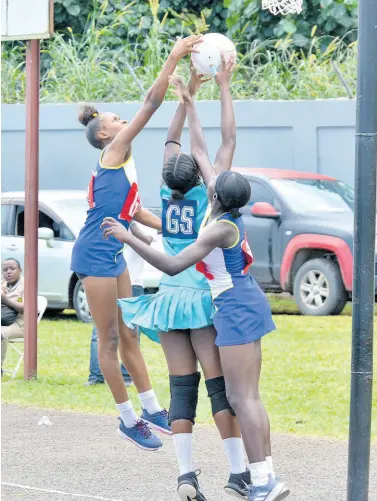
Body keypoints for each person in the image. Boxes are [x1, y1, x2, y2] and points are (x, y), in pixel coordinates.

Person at [102, 76, 289, 501]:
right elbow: (220, 145)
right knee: (225, 391)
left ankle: (186, 475)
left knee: (181, 388)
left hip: (168, 299)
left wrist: (186, 98)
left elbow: (176, 145)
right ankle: (242, 472)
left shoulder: (168, 193)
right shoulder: (213, 206)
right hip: (205, 302)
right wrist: (213, 90)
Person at [70, 35, 204, 451]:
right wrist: (174, 55)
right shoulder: (115, 149)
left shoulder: (122, 162)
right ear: (106, 133)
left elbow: (136, 213)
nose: (120, 117)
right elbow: (150, 102)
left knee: (132, 333)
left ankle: (150, 408)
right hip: (94, 253)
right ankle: (127, 419)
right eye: (114, 117)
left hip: (113, 250)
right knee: (108, 339)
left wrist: (179, 227)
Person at [85, 222, 154, 387]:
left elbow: (147, 241)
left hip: (133, 282)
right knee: (101, 331)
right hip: (108, 280)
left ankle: (127, 374)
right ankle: (96, 376)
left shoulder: (142, 222)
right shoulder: (105, 221)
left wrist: (130, 223)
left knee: (130, 332)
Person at [1, 259, 24, 372]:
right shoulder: (2, 284)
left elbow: (25, 309)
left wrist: (5, 300)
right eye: (5, 270)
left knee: (1, 334)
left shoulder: (27, 285)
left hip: (21, 325)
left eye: (12, 269)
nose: (8, 272)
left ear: (20, 270)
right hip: (4, 321)